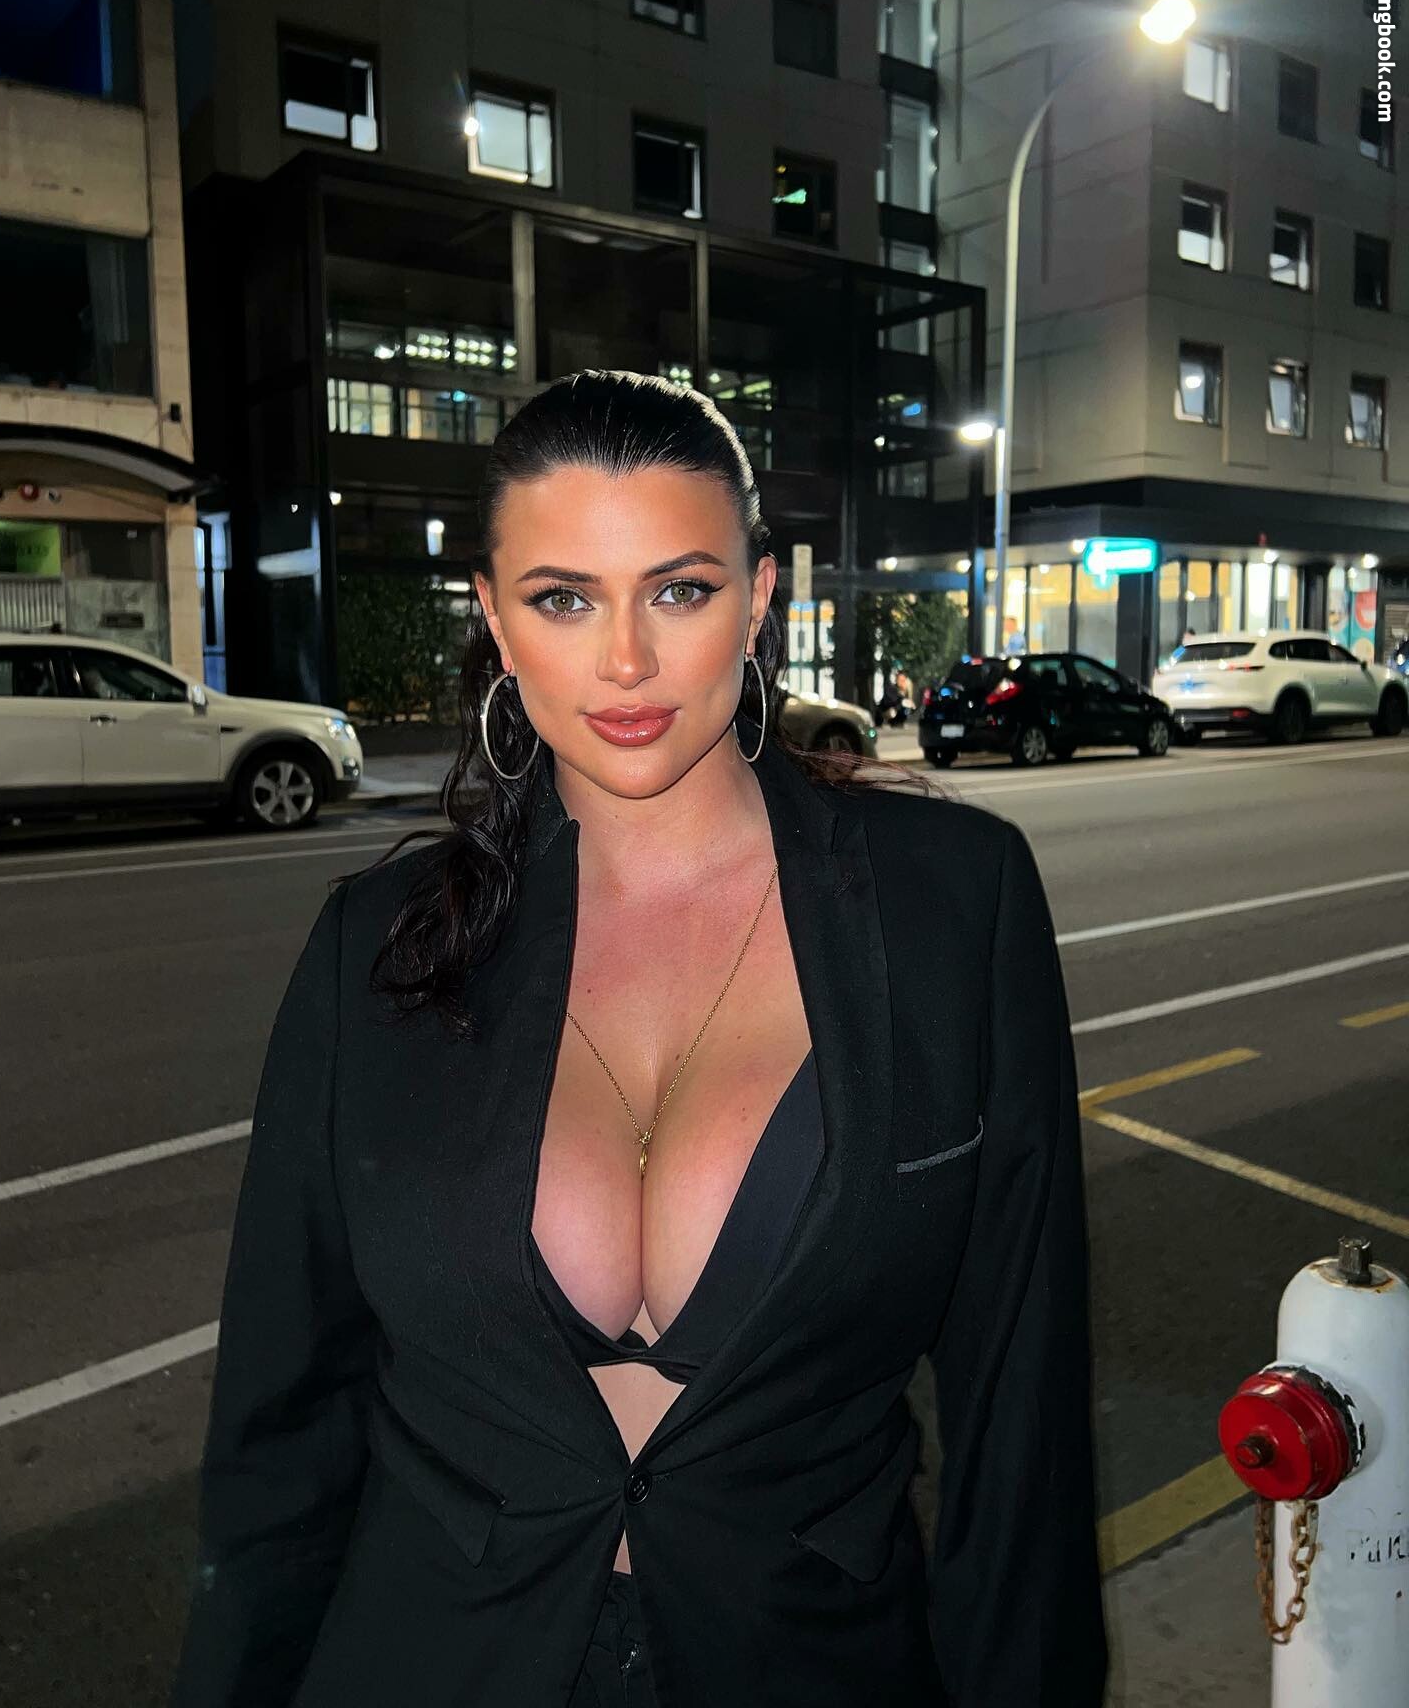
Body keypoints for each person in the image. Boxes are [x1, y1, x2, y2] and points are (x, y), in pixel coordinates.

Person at [171, 371, 1106, 1708]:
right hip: (434, 1658)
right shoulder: (375, 947)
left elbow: (1020, 1409)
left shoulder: (955, 900)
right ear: (496, 619)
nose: (625, 661)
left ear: (760, 596)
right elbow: (283, 1422)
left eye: (680, 590)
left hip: (810, 1663)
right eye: (564, 599)